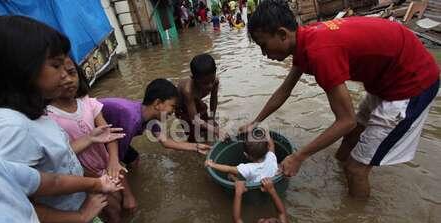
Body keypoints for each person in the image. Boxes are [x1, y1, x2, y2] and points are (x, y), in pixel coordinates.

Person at [0, 16, 136, 223]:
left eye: (68, 68)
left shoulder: (37, 114)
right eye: (56, 66)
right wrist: (81, 217)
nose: (66, 76)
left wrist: (93, 171)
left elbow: (51, 174)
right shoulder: (10, 128)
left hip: (76, 209)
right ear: (23, 69)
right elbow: (16, 208)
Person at [241, 0, 440, 198]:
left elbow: (346, 120)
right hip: (387, 78)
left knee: (355, 169)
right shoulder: (307, 38)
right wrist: (256, 122)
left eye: (264, 45)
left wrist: (299, 156)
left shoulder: (320, 53)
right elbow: (284, 91)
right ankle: (340, 181)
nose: (264, 54)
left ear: (283, 34)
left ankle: (358, 221)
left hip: (412, 84)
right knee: (352, 136)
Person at [47, 57, 137, 223]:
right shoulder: (48, 117)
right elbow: (61, 156)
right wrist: (89, 141)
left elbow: (108, 133)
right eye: (59, 74)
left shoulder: (87, 103)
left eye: (72, 72)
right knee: (112, 210)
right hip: (85, 176)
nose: (67, 79)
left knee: (126, 202)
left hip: (106, 164)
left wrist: (113, 160)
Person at [99, 78, 211, 168]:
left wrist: (196, 147)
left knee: (134, 160)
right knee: (110, 165)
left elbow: (165, 142)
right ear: (158, 103)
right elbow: (115, 162)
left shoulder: (148, 115)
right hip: (92, 128)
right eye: (172, 106)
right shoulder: (132, 121)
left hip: (111, 127)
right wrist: (128, 196)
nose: (173, 112)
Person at [176, 54, 222, 142]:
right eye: (205, 83)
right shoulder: (188, 91)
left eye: (211, 81)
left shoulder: (215, 82)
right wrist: (215, 130)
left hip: (196, 101)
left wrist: (212, 118)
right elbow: (194, 119)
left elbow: (213, 100)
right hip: (182, 107)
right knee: (194, 135)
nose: (210, 86)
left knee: (208, 127)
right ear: (194, 79)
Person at [205, 128, 278, 182]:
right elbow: (271, 144)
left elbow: (228, 168)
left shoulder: (248, 168)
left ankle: (232, 178)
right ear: (267, 149)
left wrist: (212, 164)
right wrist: (265, 131)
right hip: (271, 181)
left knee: (231, 175)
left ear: (246, 155)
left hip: (254, 187)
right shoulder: (271, 156)